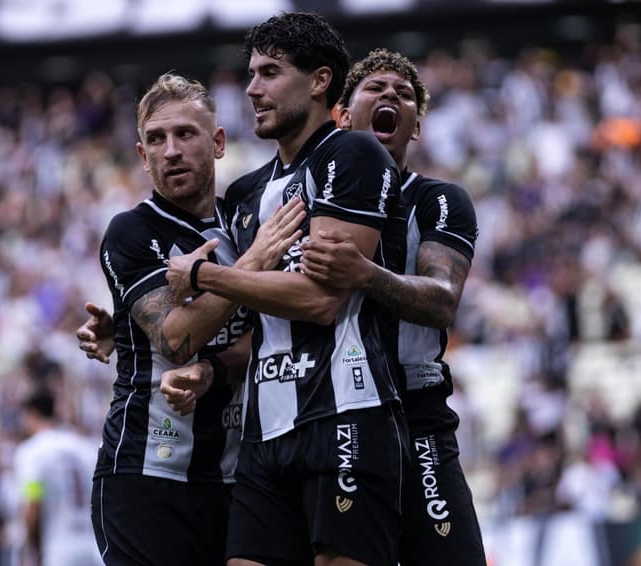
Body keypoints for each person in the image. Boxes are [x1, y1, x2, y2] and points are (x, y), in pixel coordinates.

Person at [163, 12, 409, 566]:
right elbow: (254, 316)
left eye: (270, 73)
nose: (252, 89)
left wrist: (205, 275)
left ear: (320, 81)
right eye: (251, 74)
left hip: (346, 411)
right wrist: (140, 333)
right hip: (265, 427)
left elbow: (321, 301)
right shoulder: (245, 193)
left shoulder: (352, 154)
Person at [89, 72, 303, 565]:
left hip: (235, 478)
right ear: (142, 156)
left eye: (185, 133)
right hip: (146, 476)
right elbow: (176, 339)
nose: (171, 151)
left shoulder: (245, 224)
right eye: (156, 139)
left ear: (218, 142)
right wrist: (252, 264)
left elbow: (269, 336)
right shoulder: (132, 231)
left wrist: (212, 368)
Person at [299, 48, 487, 565]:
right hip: (335, 408)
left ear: (416, 128)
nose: (391, 95)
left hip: (417, 411)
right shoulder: (307, 197)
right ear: (342, 116)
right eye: (376, 88)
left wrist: (363, 272)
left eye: (404, 94)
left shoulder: (438, 200)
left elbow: (442, 301)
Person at [13, 388, 102, 566]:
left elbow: (33, 501)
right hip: (94, 547)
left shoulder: (31, 451)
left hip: (59, 548)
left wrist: (26, 548)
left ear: (31, 414)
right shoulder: (84, 446)